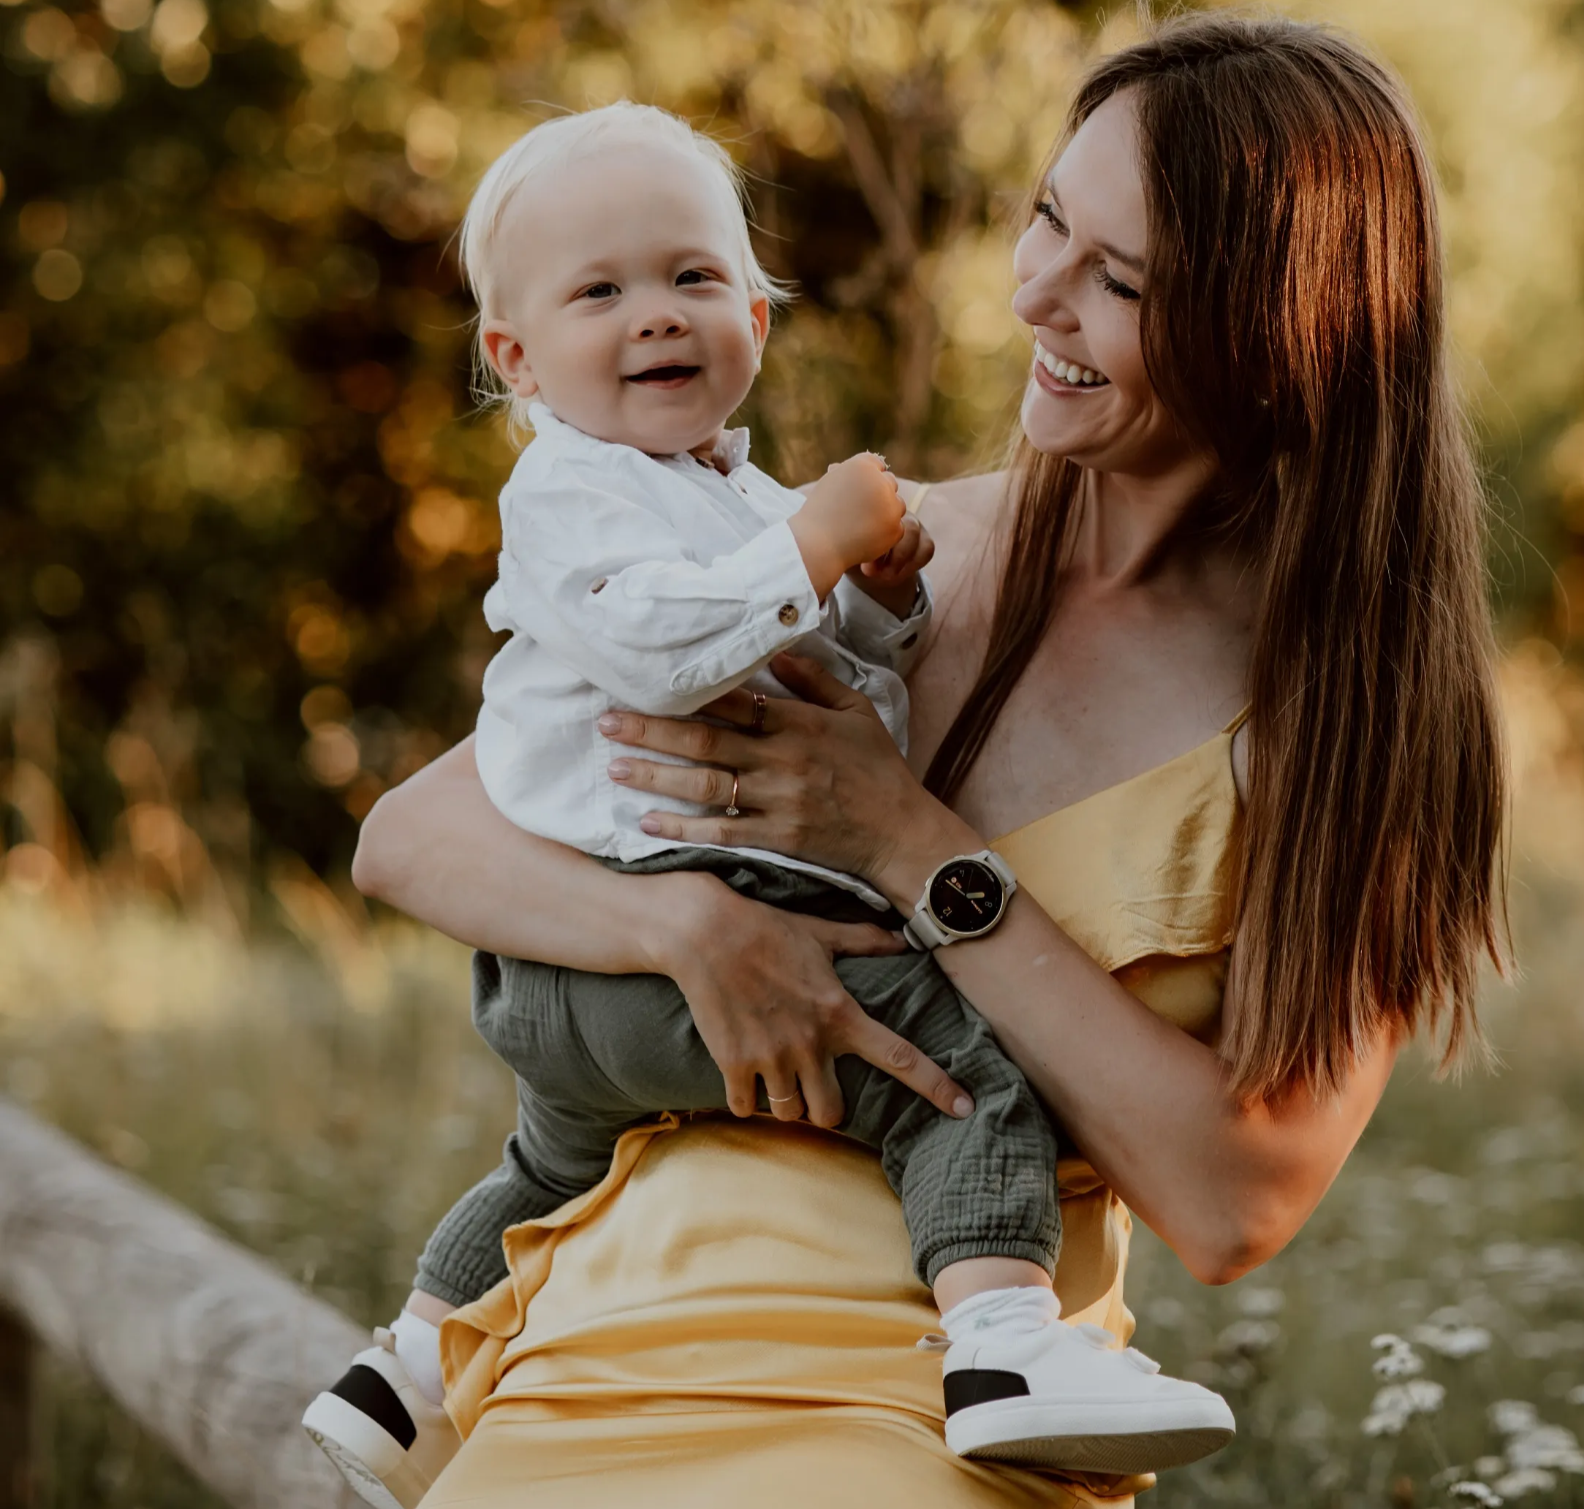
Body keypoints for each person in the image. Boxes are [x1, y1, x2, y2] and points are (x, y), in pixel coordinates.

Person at [351, 12, 1507, 1506]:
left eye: (1119, 280)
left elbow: (1238, 1202)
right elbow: (413, 836)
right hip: (593, 1345)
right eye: (1046, 222)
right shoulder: (898, 559)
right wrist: (686, 928)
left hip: (945, 1408)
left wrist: (919, 852)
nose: (1036, 293)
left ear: (1278, 330)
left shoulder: (1344, 718)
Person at [301, 102, 1232, 1509]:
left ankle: (412, 1368)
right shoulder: (585, 495)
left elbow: (844, 675)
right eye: (1047, 223)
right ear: (515, 357)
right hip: (612, 1013)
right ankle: (1000, 1347)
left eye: (691, 280)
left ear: (757, 310)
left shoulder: (743, 503)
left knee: (545, 1157)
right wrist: (688, 929)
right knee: (965, 1081)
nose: (654, 319)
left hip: (613, 1075)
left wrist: (887, 598)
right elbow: (431, 814)